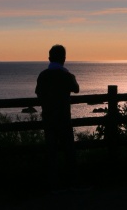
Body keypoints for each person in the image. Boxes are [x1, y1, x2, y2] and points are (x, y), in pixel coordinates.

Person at [35, 44, 80, 189]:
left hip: (48, 119)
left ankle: (53, 186)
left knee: (51, 153)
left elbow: (38, 93)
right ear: (64, 59)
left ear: (49, 58)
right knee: (69, 152)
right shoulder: (66, 76)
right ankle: (72, 183)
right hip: (64, 120)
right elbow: (76, 89)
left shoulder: (43, 75)